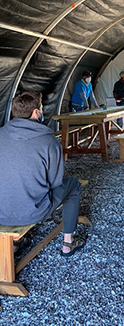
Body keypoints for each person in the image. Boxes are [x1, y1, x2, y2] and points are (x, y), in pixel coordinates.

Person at [0, 91, 85, 257]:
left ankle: (16, 243)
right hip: (32, 212)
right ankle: (68, 242)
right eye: (41, 108)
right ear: (36, 112)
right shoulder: (49, 141)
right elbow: (54, 182)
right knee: (73, 185)